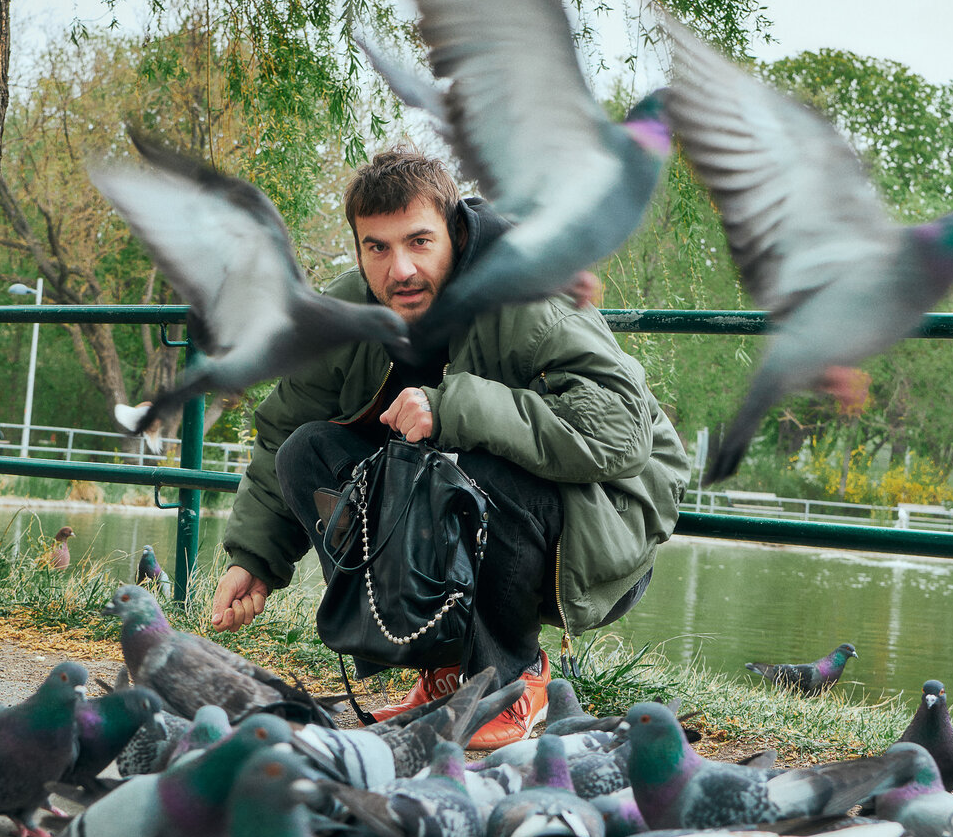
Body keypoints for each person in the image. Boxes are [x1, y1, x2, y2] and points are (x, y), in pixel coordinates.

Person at [211, 147, 690, 749]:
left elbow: (620, 432)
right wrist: (253, 558)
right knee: (309, 452)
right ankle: (442, 673)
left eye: (418, 241)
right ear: (358, 249)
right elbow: (283, 428)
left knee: (485, 463)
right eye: (377, 248)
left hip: (597, 523)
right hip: (470, 520)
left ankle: (513, 684)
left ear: (454, 231)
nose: (400, 269)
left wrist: (456, 408)